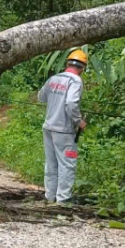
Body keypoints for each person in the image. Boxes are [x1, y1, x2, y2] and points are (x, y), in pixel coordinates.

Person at [37, 49, 88, 205]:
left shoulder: (54, 78)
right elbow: (71, 103)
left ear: (67, 63)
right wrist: (79, 121)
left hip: (48, 127)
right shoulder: (75, 81)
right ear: (83, 68)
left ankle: (50, 197)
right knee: (67, 164)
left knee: (51, 163)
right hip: (64, 130)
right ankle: (63, 200)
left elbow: (41, 97)